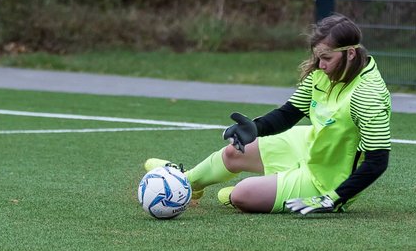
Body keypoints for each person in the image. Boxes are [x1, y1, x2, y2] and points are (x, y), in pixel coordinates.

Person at [146, 14, 391, 215]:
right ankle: (184, 183)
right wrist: (256, 128)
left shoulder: (368, 94)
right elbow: (288, 114)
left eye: (326, 58)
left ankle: (239, 195)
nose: (320, 66)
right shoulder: (323, 74)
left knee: (243, 195)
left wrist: (333, 198)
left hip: (330, 179)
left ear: (350, 54)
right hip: (313, 143)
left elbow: (377, 161)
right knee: (234, 152)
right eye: (317, 58)